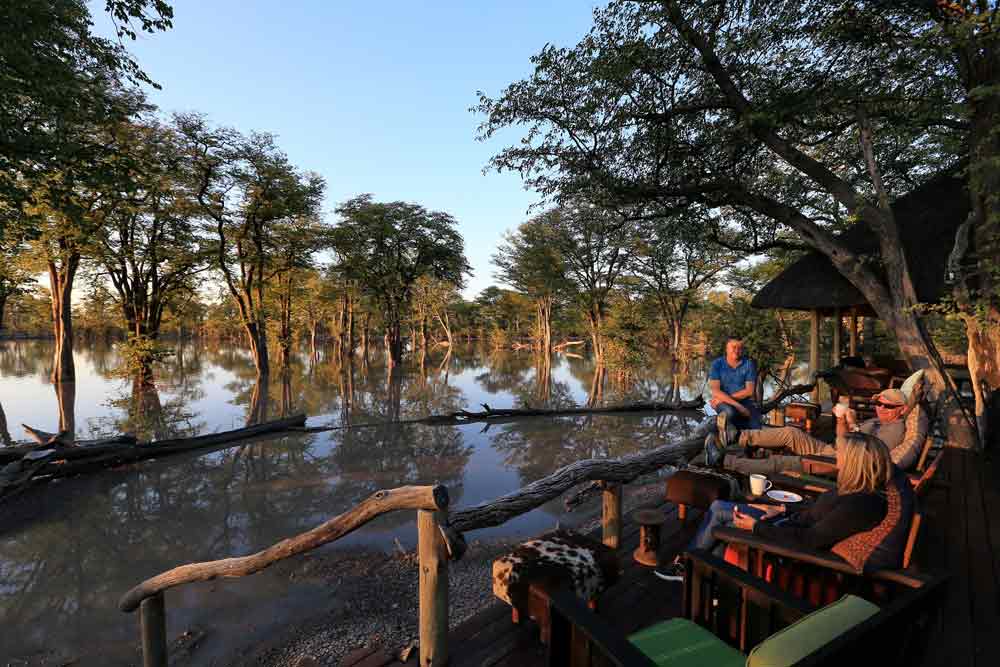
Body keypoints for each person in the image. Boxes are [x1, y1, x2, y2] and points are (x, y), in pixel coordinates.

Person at [657, 432, 906, 580]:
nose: (836, 458)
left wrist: (757, 528)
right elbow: (817, 515)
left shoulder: (861, 504)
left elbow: (809, 540)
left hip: (785, 539)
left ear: (855, 462)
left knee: (721, 514)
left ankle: (687, 565)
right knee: (721, 509)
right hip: (786, 522)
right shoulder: (856, 489)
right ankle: (693, 565)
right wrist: (782, 509)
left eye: (841, 454)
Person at [704, 388, 911, 476]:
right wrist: (844, 421)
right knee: (790, 433)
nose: (880, 408)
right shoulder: (877, 420)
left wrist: (854, 427)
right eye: (878, 404)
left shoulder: (895, 430)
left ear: (902, 409)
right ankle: (737, 436)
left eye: (888, 406)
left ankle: (723, 462)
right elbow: (847, 437)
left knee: (782, 463)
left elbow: (864, 453)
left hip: (839, 464)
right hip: (832, 449)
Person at [708, 336, 761, 437]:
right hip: (724, 403)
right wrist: (739, 406)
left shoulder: (748, 364)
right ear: (726, 349)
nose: (737, 350)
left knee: (756, 429)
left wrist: (726, 399)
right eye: (734, 347)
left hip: (742, 401)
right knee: (730, 412)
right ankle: (725, 431)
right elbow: (715, 391)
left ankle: (736, 430)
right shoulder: (717, 364)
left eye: (740, 348)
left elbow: (749, 391)